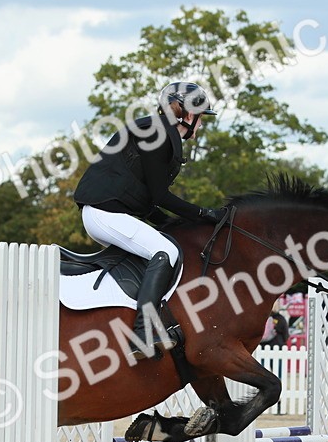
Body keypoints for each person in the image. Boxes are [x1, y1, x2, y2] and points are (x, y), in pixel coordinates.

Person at [72, 81, 225, 358]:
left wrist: (172, 223)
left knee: (165, 242)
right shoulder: (156, 132)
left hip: (110, 212)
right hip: (104, 214)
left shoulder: (157, 130)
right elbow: (160, 196)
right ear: (187, 115)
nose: (201, 125)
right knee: (165, 251)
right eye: (200, 118)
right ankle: (142, 334)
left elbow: (149, 201)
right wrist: (205, 214)